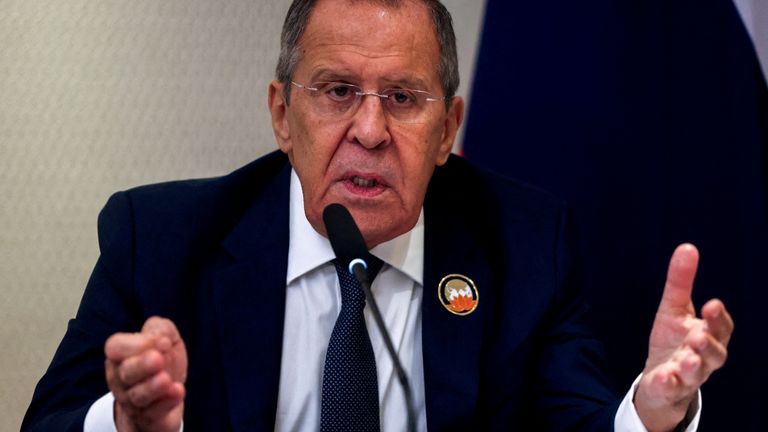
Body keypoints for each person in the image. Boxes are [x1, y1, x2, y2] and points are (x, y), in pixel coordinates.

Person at [23, 0, 733, 431]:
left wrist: (653, 413)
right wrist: (126, 424)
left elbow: (576, 422)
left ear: (448, 127)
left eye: (402, 97)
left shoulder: (525, 245)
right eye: (336, 91)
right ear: (282, 114)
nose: (368, 130)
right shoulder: (160, 240)